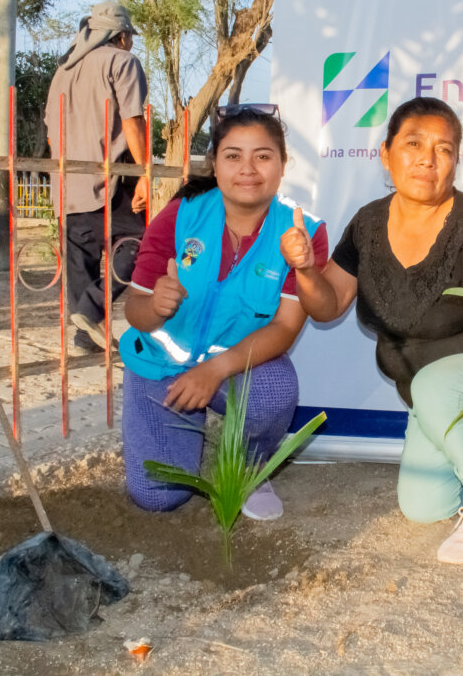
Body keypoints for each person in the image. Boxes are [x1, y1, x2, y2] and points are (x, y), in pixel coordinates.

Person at [281, 96, 463, 564]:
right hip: (427, 393)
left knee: (435, 387)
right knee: (423, 507)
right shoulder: (368, 223)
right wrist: (306, 272)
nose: (428, 159)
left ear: (456, 160)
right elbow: (327, 305)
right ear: (385, 153)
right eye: (414, 143)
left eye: (444, 149)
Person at [119, 105, 327, 520]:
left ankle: (248, 464)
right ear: (214, 165)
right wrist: (155, 306)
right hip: (161, 368)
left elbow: (286, 326)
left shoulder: (304, 232)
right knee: (159, 496)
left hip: (232, 370)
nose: (248, 169)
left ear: (283, 165)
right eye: (233, 156)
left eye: (263, 156)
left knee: (273, 392)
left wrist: (213, 371)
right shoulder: (180, 216)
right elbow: (135, 314)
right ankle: (187, 430)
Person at [43, 0, 150, 355]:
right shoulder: (122, 62)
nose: (131, 43)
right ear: (120, 36)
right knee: (139, 245)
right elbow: (133, 120)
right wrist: (145, 172)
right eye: (129, 37)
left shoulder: (62, 71)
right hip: (111, 179)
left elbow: (49, 132)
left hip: (66, 182)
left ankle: (85, 336)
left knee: (80, 261)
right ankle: (90, 312)